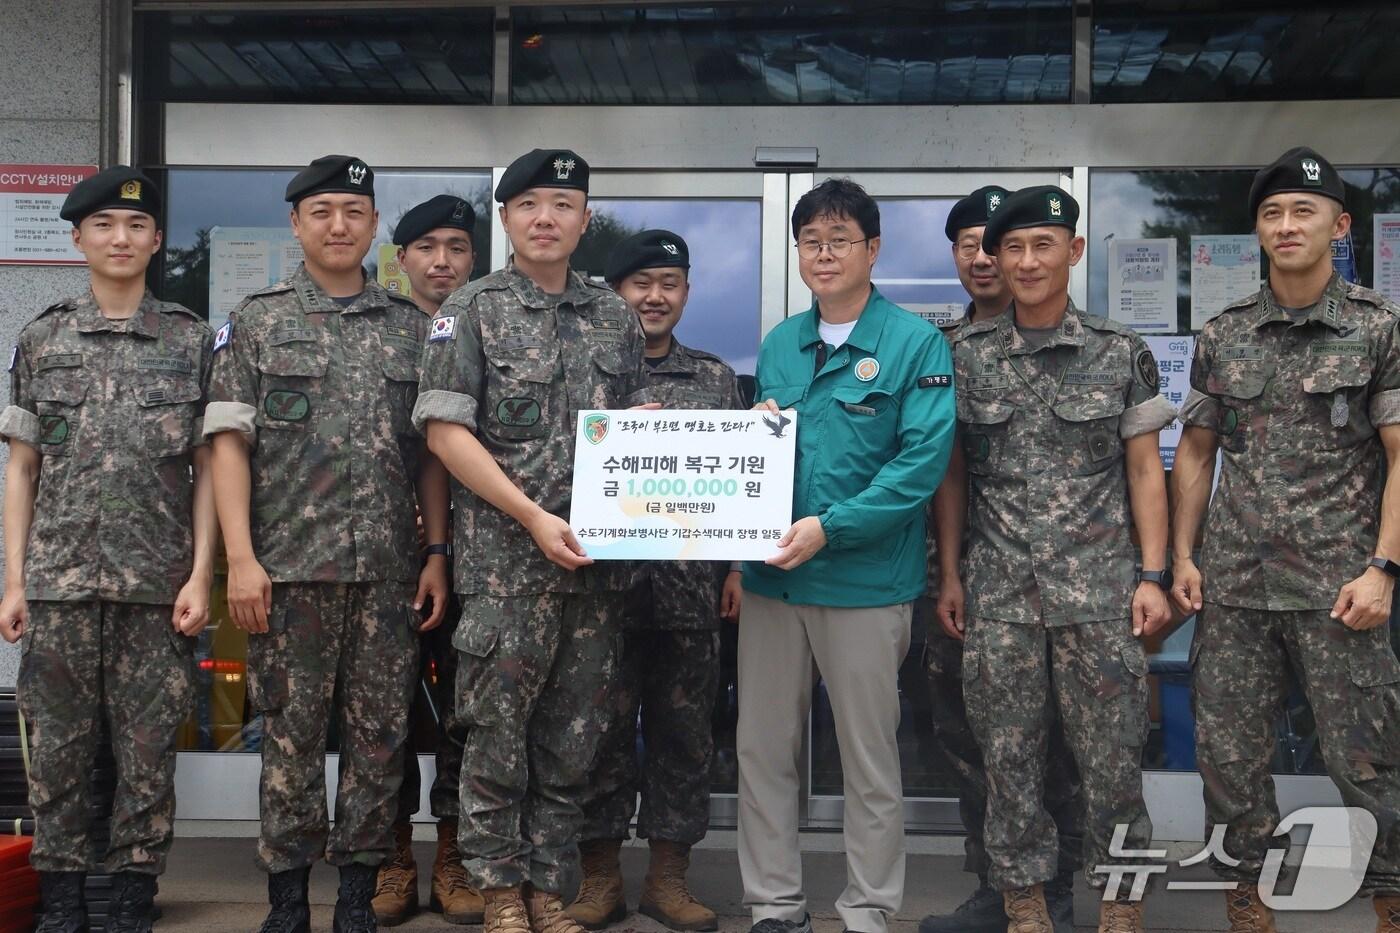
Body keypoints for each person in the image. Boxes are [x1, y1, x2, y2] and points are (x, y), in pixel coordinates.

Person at [203, 154, 450, 933]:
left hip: (387, 576)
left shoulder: (414, 330)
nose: (339, 225)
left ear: (376, 226)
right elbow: (228, 446)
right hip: (287, 572)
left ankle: (356, 898)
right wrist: (240, 558)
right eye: (322, 211)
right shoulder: (257, 319)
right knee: (289, 735)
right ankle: (286, 899)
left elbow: (433, 455)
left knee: (380, 739)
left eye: (353, 211)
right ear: (296, 225)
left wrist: (437, 550)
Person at [414, 148, 650, 933]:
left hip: (594, 573)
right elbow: (447, 434)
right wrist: (530, 515)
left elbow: (630, 433)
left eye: (562, 203)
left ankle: (551, 888)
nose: (545, 218)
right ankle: (501, 893)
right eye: (528, 205)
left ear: (585, 218)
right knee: (493, 739)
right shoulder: (472, 309)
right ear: (506, 218)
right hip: (506, 572)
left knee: (572, 740)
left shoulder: (613, 314)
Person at [1170, 146, 1400, 933]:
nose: (1286, 224)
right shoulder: (1226, 333)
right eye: (1272, 213)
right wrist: (1182, 556)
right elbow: (1197, 449)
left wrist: (1384, 568)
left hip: (1343, 589)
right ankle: (1249, 902)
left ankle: (1392, 902)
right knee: (1230, 761)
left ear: (1339, 226)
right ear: (1258, 232)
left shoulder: (1377, 329)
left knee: (1367, 759)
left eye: (1303, 211)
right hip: (1234, 584)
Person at [948, 185, 1175, 933]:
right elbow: (951, 475)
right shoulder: (965, 355)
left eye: (1043, 244)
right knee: (1008, 762)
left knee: (1113, 762)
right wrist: (950, 573)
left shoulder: (1119, 351)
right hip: (1001, 595)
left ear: (1074, 251)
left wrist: (1153, 575)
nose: (1026, 260)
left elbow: (1146, 470)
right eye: (1011, 247)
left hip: (1102, 592)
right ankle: (1026, 906)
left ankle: (1120, 904)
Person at [0, 166, 216, 933]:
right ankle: (61, 898)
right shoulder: (42, 336)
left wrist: (201, 574)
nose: (119, 238)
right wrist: (13, 580)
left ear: (156, 240)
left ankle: (131, 893)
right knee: (55, 751)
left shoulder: (191, 339)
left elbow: (207, 472)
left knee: (148, 752)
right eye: (102, 227)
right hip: (58, 585)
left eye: (133, 227)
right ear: (77, 240)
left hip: (157, 587)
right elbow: (22, 467)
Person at [739, 178, 956, 933]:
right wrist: (752, 432)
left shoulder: (915, 343)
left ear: (873, 248)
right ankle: (773, 905)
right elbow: (762, 460)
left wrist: (831, 527)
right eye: (810, 241)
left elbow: (920, 463)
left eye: (839, 240)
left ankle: (867, 909)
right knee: (762, 752)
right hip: (773, 583)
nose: (824, 254)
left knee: (868, 763)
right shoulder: (778, 343)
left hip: (863, 582)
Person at [568, 230, 743, 933]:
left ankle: (668, 876)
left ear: (687, 293)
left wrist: (735, 567)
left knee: (683, 735)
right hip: (598, 596)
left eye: (669, 282)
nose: (655, 295)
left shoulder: (717, 378)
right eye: (640, 283)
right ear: (616, 293)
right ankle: (599, 875)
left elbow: (738, 486)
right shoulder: (585, 372)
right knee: (599, 734)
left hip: (688, 593)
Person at [919, 186, 1083, 933]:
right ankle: (999, 885)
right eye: (971, 244)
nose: (988, 258)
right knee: (969, 738)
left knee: (1065, 740)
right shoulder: (939, 351)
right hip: (955, 579)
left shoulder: (1084, 346)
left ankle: (1062, 885)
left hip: (1065, 583)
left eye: (1000, 241)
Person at [371, 194, 483, 927]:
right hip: (380, 556)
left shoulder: (491, 327)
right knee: (382, 711)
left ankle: (453, 854)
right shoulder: (373, 331)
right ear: (402, 257)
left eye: (457, 247)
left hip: (477, 559)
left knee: (462, 717)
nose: (442, 260)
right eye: (427, 247)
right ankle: (389, 857)